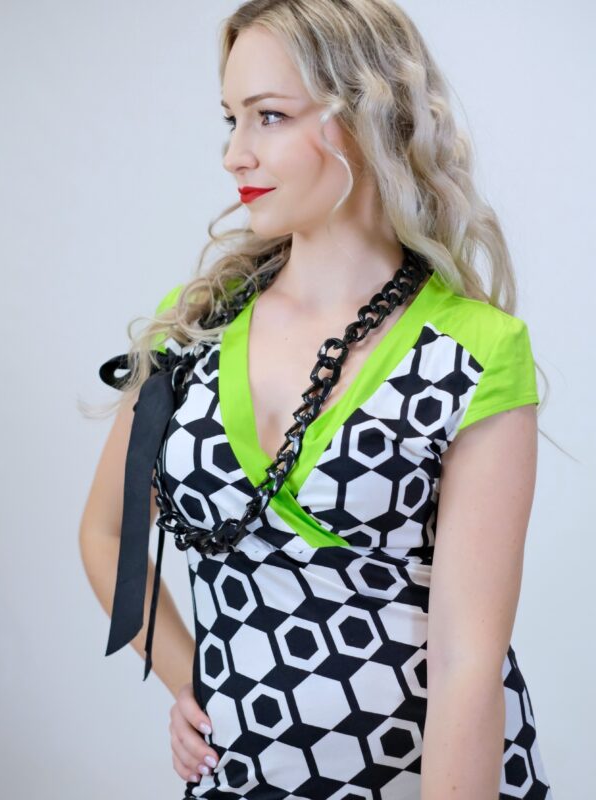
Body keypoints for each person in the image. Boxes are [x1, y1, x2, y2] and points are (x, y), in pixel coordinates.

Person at [79, 1, 555, 798]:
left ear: (367, 116)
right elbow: (105, 533)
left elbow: (468, 665)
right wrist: (191, 678)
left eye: (269, 116)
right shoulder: (193, 329)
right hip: (240, 781)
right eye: (230, 119)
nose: (235, 153)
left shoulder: (475, 350)